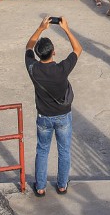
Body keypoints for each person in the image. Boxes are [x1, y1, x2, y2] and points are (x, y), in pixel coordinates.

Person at [25, 16, 82, 196]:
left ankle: (40, 187)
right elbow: (78, 49)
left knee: (42, 150)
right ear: (54, 53)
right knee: (64, 151)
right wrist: (65, 28)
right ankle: (62, 184)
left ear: (38, 54)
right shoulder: (61, 69)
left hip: (43, 117)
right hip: (63, 115)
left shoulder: (33, 68)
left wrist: (41, 27)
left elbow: (28, 46)